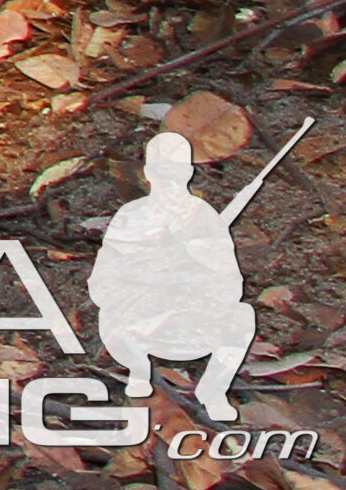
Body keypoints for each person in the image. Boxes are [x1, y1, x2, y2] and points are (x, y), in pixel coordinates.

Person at [89, 121, 261, 417]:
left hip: (193, 317)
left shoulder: (204, 218)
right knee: (111, 319)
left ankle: (213, 391)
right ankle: (139, 371)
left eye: (177, 172)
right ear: (148, 173)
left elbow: (231, 284)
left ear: (189, 173)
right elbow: (102, 282)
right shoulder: (130, 216)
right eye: (162, 172)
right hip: (140, 318)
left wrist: (200, 265)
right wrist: (150, 277)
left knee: (243, 316)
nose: (169, 181)